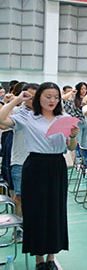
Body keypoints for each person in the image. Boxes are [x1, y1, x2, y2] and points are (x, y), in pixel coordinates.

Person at [0, 83, 79, 270]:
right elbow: (1, 119)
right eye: (47, 96)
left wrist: (73, 137)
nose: (52, 101)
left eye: (56, 97)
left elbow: (71, 147)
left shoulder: (64, 118)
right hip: (35, 165)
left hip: (57, 166)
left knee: (55, 211)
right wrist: (17, 100)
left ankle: (51, 257)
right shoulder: (27, 117)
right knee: (35, 211)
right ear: (38, 98)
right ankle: (39, 259)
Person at [8, 83, 38, 238]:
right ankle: (19, 228)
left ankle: (33, 226)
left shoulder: (44, 114)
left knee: (36, 198)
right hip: (20, 161)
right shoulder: (18, 112)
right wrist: (16, 100)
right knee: (19, 197)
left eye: (35, 96)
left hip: (39, 161)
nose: (32, 99)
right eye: (29, 96)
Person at [62, 82, 87, 154]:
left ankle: (83, 159)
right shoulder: (74, 98)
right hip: (76, 123)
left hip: (84, 122)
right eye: (82, 89)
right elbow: (66, 105)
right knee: (77, 143)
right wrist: (71, 93)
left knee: (84, 144)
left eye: (85, 89)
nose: (84, 90)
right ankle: (76, 158)